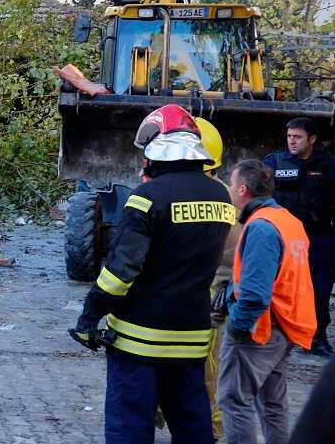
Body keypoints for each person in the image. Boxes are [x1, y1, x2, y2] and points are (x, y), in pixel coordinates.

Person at [71, 104, 233, 444]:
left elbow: (120, 273)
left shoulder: (146, 198)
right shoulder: (220, 196)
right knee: (193, 428)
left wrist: (89, 316)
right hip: (192, 339)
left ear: (158, 148)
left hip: (139, 342)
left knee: (130, 427)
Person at [218, 159, 315, 444]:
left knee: (234, 400)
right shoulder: (288, 220)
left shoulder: (261, 228)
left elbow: (255, 295)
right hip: (286, 325)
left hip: (260, 329)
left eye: (233, 186)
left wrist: (236, 327)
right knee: (273, 404)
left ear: (243, 190)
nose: (231, 192)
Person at [263, 117, 335, 356]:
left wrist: (334, 241)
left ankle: (316, 338)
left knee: (319, 292)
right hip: (282, 240)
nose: (292, 141)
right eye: (289, 136)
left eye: (297, 137)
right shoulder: (273, 163)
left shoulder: (329, 167)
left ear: (312, 139)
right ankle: (273, 337)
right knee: (277, 290)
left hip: (318, 239)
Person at [195, 117, 234, 442]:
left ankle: (212, 429)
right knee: (210, 366)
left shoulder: (183, 194)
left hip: (206, 296)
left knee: (206, 369)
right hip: (215, 294)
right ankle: (212, 427)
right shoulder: (225, 195)